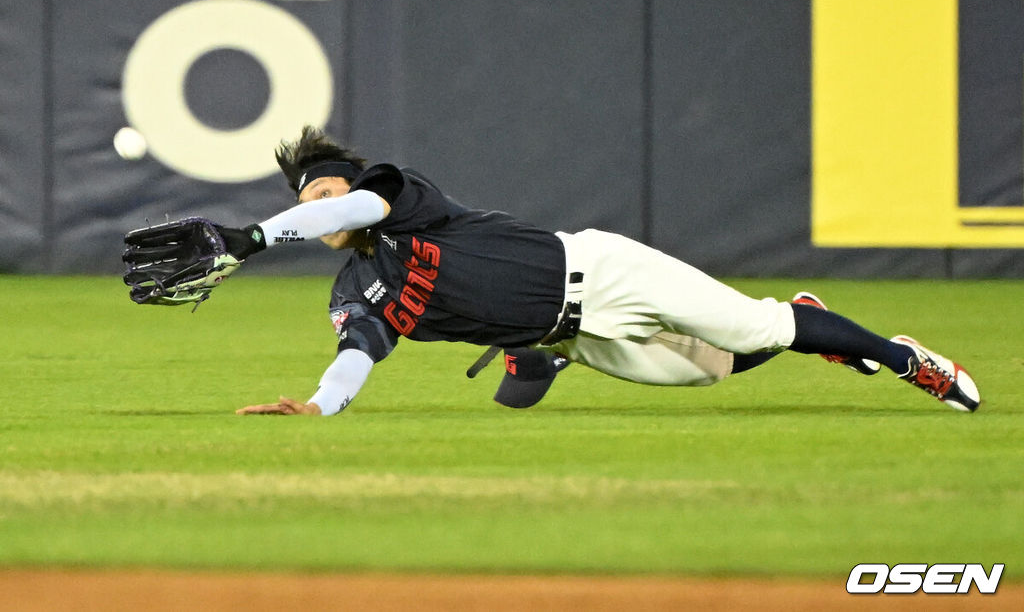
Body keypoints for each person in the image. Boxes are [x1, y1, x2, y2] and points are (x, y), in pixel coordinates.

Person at [230, 126, 980, 416]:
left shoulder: (399, 197)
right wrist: (322, 406)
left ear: (350, 189)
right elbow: (358, 350)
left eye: (324, 191)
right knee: (711, 368)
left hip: (603, 272)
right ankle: (812, 329)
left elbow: (341, 211)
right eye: (308, 203)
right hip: (576, 337)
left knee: (762, 322)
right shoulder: (355, 287)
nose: (320, 208)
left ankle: (907, 359)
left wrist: (258, 235)